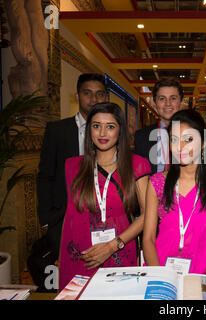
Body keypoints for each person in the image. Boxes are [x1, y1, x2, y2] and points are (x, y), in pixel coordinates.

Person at [58, 103, 151, 289]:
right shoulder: (73, 167)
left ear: (120, 131)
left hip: (120, 251)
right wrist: (61, 256)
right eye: (96, 126)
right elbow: (69, 216)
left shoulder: (137, 165)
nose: (102, 133)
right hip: (82, 256)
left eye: (110, 127)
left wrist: (112, 246)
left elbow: (148, 215)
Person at [142, 109, 206, 277]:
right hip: (162, 268)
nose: (180, 147)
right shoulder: (157, 183)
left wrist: (204, 280)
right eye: (174, 140)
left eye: (189, 139)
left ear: (204, 143)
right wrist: (159, 276)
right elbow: (148, 238)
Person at [37, 73, 107, 257]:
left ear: (105, 97)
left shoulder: (112, 131)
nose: (94, 99)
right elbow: (46, 175)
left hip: (103, 218)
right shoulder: (57, 131)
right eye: (87, 93)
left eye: (99, 94)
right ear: (77, 97)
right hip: (64, 216)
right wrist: (46, 219)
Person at [133, 78, 184, 174]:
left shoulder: (193, 134)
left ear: (181, 103)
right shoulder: (141, 137)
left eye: (173, 98)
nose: (168, 103)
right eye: (162, 99)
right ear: (155, 104)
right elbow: (139, 174)